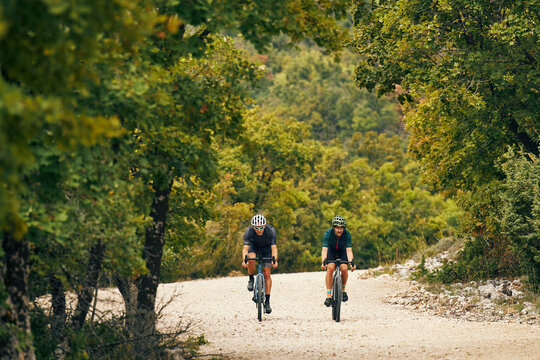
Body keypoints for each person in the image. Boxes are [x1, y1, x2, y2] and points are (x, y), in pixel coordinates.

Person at [241, 214, 278, 314]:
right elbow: (245, 248)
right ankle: (251, 278)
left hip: (267, 249)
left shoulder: (271, 231)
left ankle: (267, 301)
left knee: (267, 273)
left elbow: (274, 248)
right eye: (256, 228)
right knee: (251, 259)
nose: (259, 230)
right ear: (253, 227)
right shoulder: (249, 232)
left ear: (264, 226)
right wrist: (245, 260)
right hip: (254, 247)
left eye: (261, 227)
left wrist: (274, 260)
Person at [321, 215, 356, 306]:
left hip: (342, 251)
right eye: (337, 228)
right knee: (330, 268)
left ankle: (343, 290)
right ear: (333, 228)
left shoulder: (347, 234)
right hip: (331, 250)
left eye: (341, 228)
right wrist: (323, 262)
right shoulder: (328, 233)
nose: (339, 230)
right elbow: (324, 249)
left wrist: (352, 263)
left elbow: (349, 250)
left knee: (344, 269)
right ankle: (329, 296)